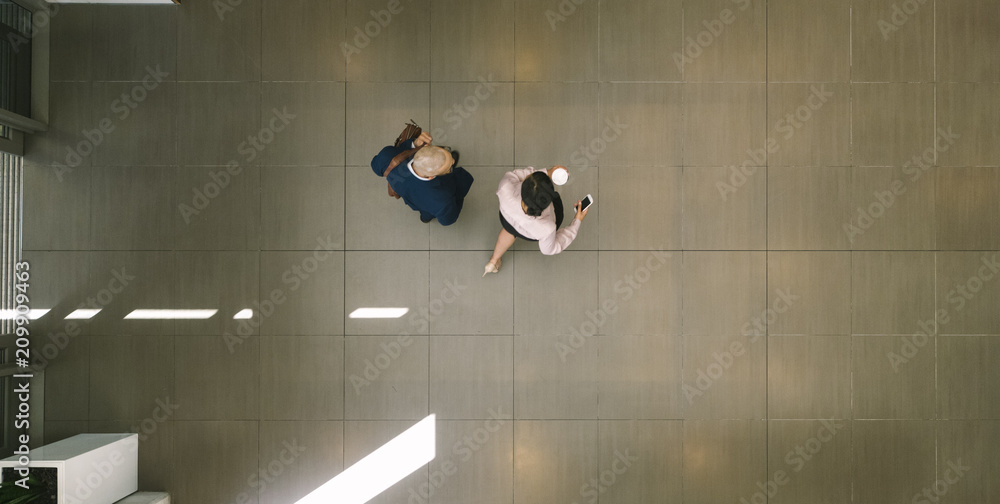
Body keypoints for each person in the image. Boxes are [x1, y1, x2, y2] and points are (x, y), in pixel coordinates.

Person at [483, 165, 589, 276]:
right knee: (556, 213)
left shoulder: (505, 188)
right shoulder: (547, 228)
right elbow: (550, 249)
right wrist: (577, 221)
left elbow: (515, 175)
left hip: (508, 218)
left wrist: (547, 172)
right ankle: (494, 261)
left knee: (510, 230)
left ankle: (493, 261)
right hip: (530, 232)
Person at [370, 132, 474, 225]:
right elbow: (448, 220)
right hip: (431, 202)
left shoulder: (386, 157)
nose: (453, 161)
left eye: (446, 151)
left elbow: (375, 165)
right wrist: (458, 198)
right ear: (430, 176)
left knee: (425, 211)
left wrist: (414, 144)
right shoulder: (442, 201)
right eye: (448, 168)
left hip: (412, 197)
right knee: (429, 211)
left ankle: (425, 218)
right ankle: (425, 217)